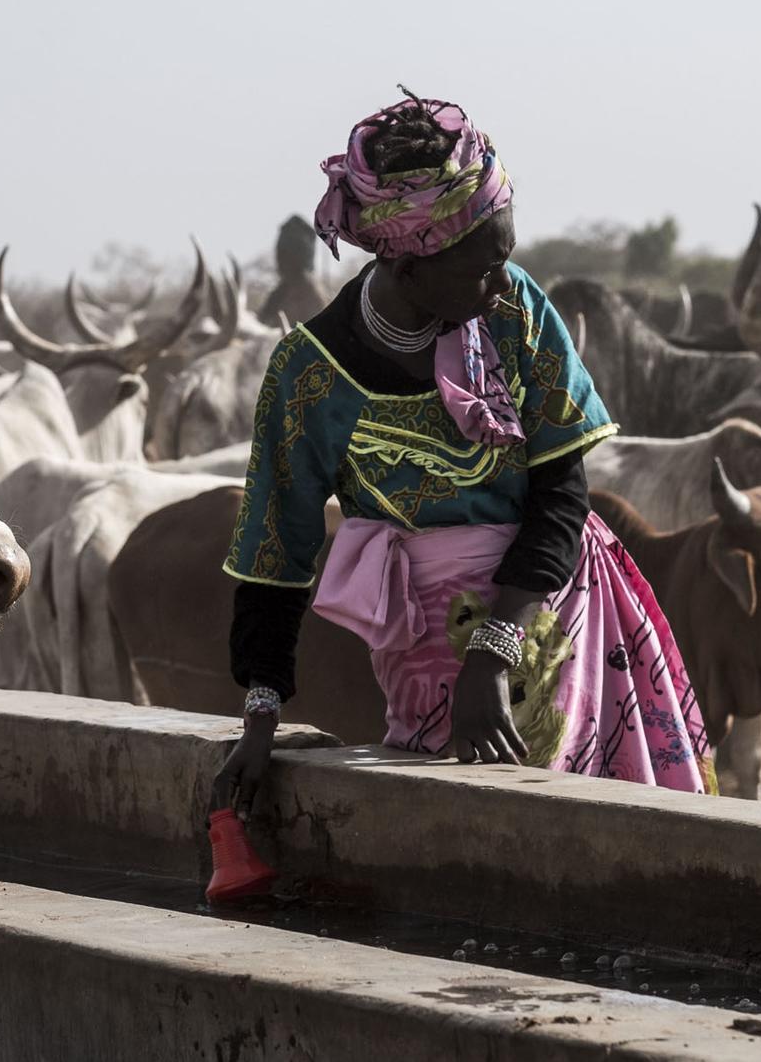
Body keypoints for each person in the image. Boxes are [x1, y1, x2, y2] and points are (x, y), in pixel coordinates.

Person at [214, 91, 713, 819]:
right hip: (418, 641)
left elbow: (562, 493)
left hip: (550, 613)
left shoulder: (514, 315)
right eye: (484, 265)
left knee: (582, 822)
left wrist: (497, 644)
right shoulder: (308, 374)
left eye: (506, 255)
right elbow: (273, 555)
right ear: (409, 264)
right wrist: (260, 719)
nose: (504, 281)